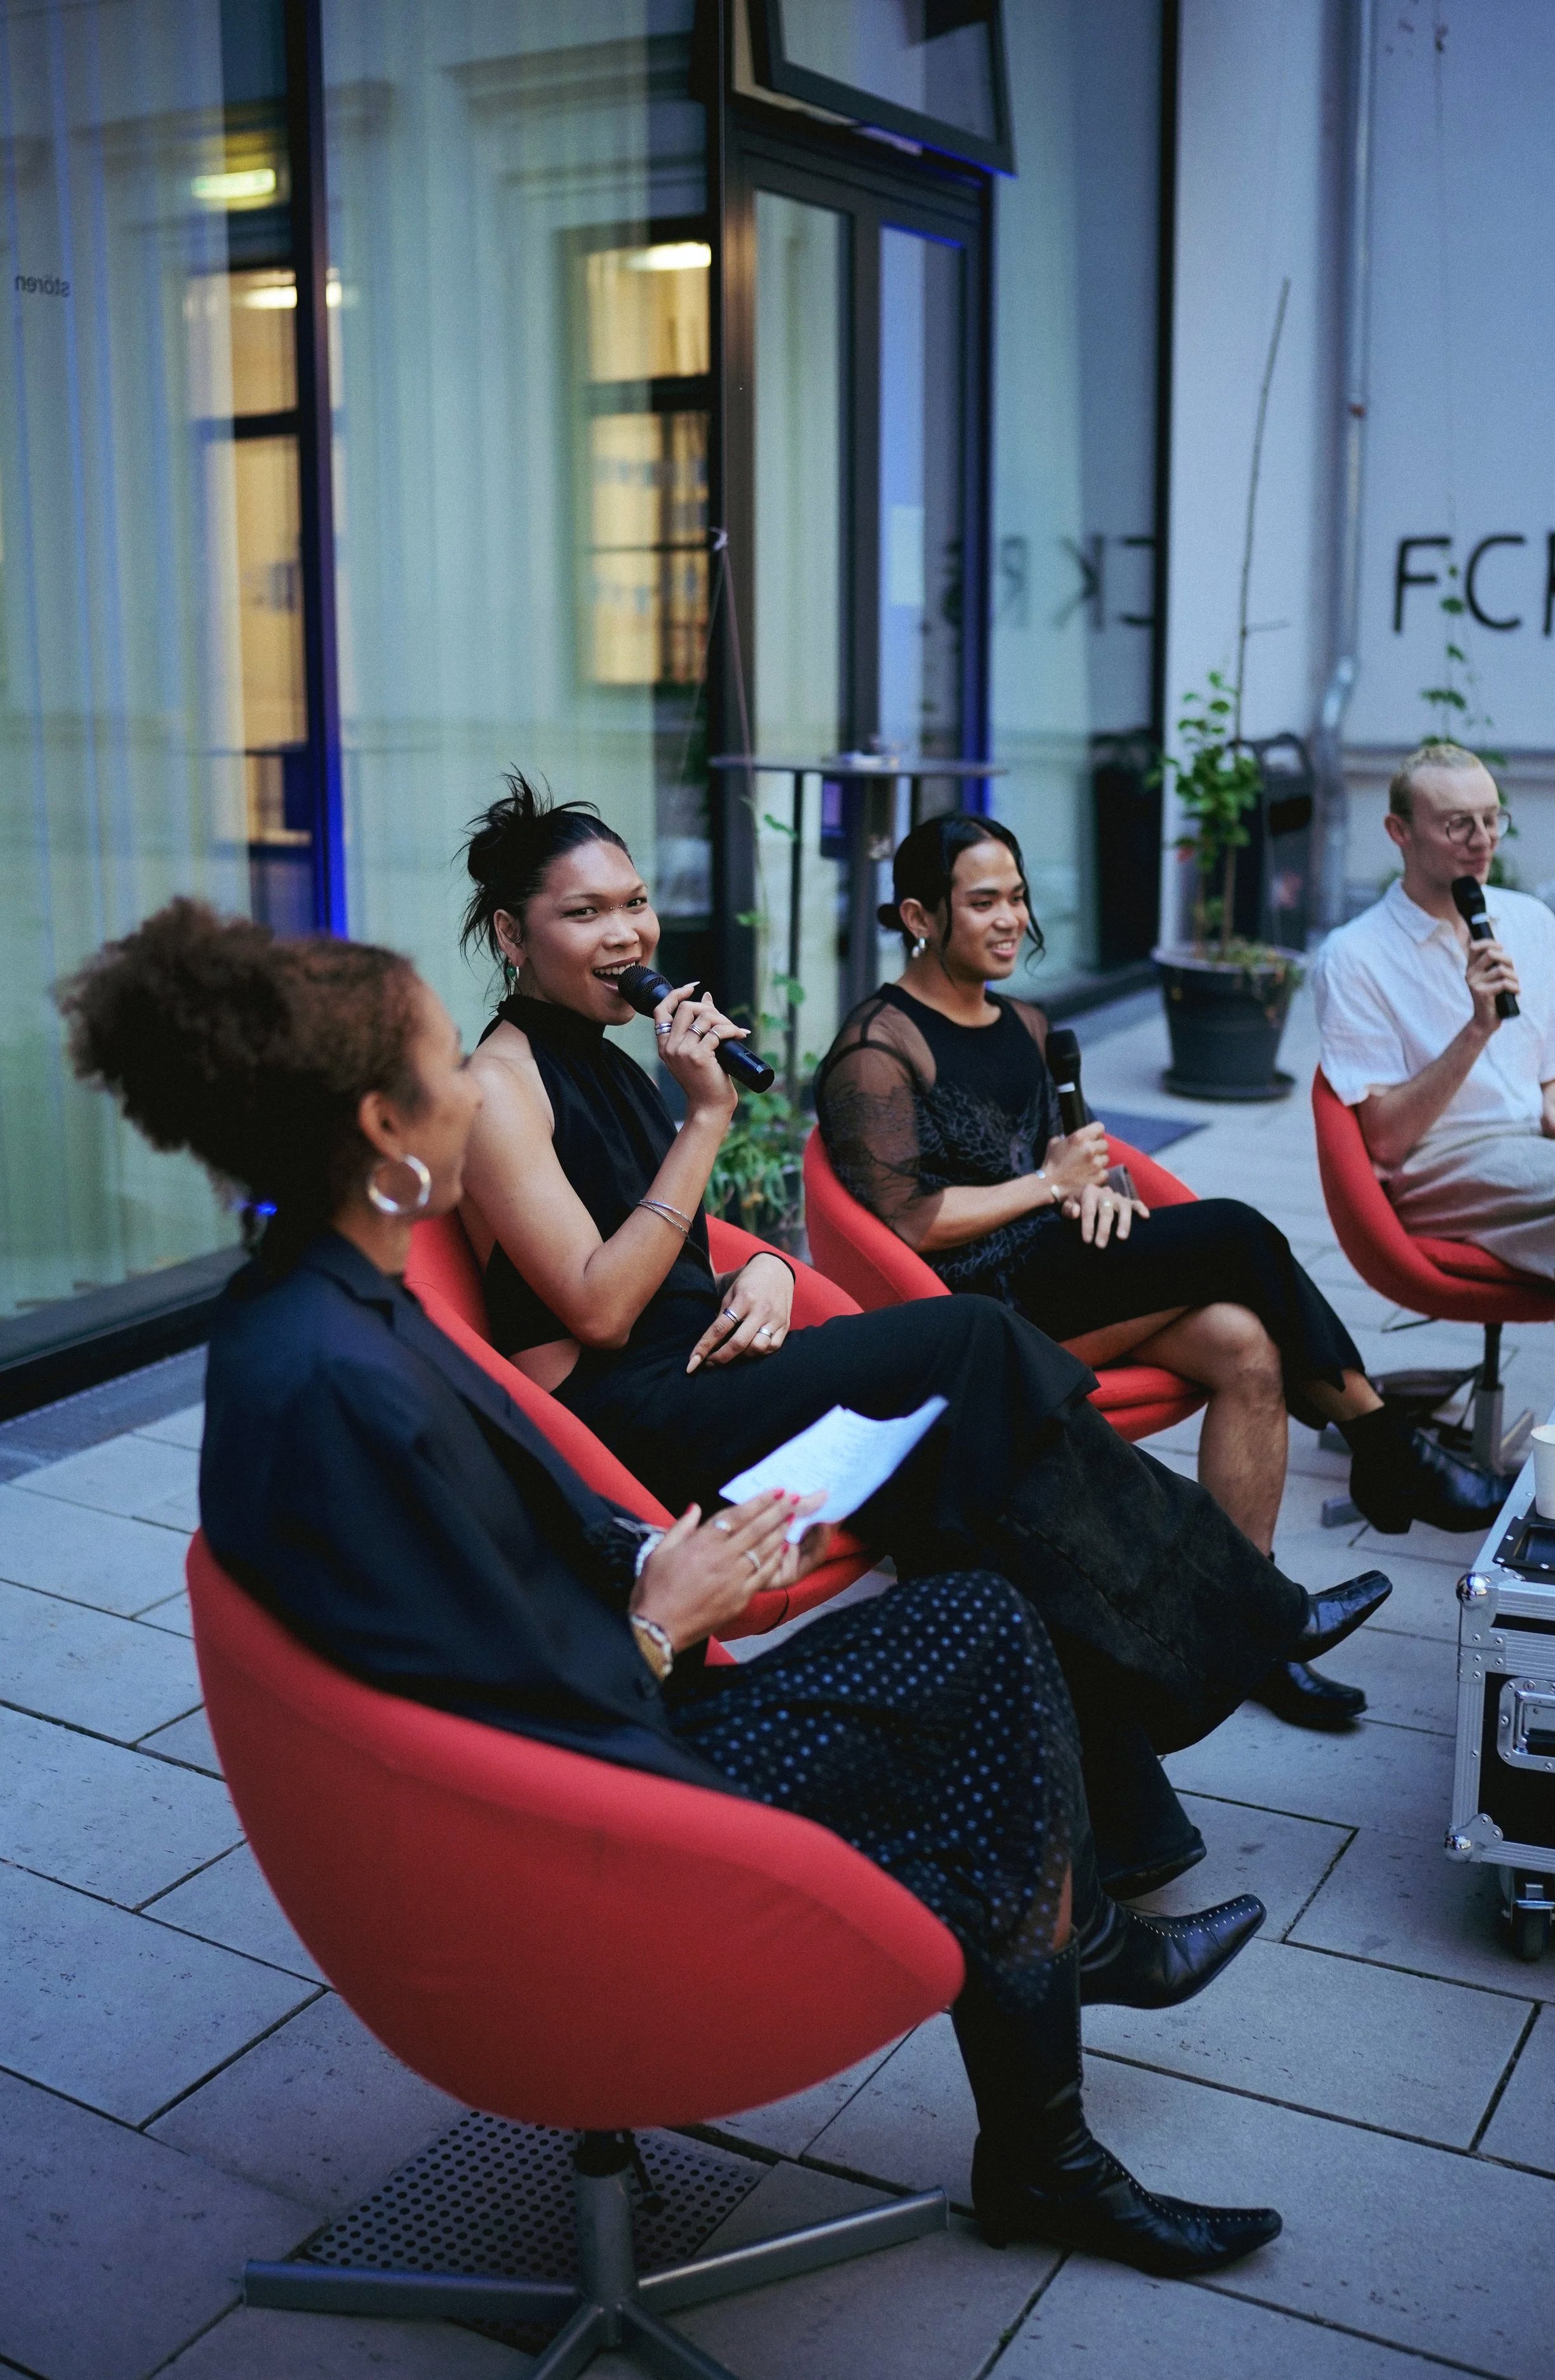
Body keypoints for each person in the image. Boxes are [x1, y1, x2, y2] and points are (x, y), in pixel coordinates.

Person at [57, 896, 1286, 2278]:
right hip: (581, 1818)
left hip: (589, 1712)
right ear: (389, 1128)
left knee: (975, 1614)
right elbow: (491, 1720)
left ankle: (1062, 1980)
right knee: (982, 1661)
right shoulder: (332, 1378)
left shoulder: (331, 1297)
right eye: (446, 1066)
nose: (477, 1083)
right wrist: (659, 1620)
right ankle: (1049, 2095)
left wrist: (651, 1555)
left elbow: (498, 1539)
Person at [457, 773, 1389, 1903]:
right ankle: (1247, 1615)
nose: (628, 933)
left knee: (976, 1501)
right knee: (970, 1340)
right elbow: (600, 1306)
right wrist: (707, 1117)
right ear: (513, 933)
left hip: (708, 1367)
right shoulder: (498, 1087)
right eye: (585, 913)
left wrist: (753, 1264)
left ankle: (1118, 1851)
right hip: (633, 1421)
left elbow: (672, 1233)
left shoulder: (603, 1051)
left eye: (635, 901)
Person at [813, 811, 1507, 1731]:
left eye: (1017, 895)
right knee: (1237, 1235)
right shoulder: (878, 1047)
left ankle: (1253, 1630)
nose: (1011, 917)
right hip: (977, 1311)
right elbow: (911, 1221)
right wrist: (1046, 1187)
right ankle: (1383, 1448)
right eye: (983, 901)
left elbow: (1078, 1153)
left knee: (1246, 1342)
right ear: (919, 915)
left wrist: (1097, 1187)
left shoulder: (1024, 1019)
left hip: (1061, 1258)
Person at [1313, 741, 1555, 1380]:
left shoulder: (1530, 920)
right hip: (1439, 1168)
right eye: (1457, 823)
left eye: (1493, 818)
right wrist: (1475, 1029)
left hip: (1540, 1157)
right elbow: (1382, 1138)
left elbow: (1551, 1082)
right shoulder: (1354, 955)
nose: (1482, 839)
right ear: (1399, 832)